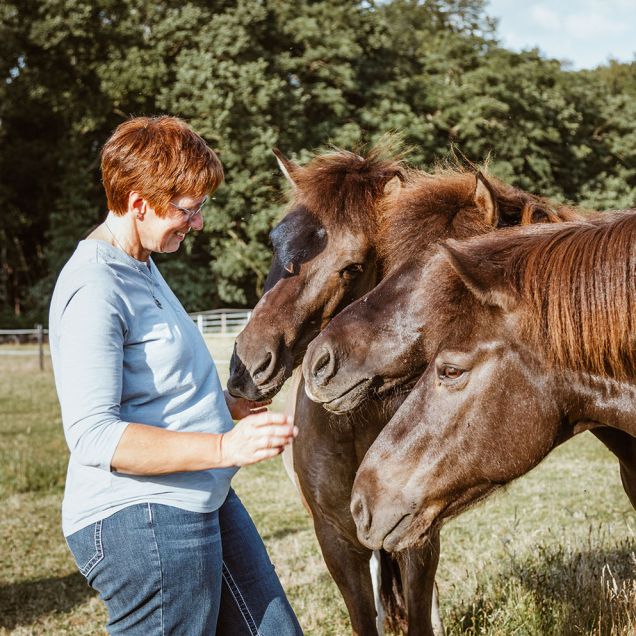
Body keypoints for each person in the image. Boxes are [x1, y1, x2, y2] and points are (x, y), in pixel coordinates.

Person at [48, 116, 303, 635]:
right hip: (141, 518)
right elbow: (95, 436)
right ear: (138, 205)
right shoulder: (94, 288)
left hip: (200, 497)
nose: (199, 223)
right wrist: (224, 449)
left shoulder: (141, 264)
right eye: (187, 211)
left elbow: (152, 389)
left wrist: (222, 410)